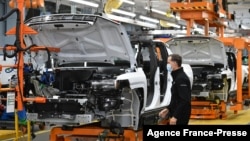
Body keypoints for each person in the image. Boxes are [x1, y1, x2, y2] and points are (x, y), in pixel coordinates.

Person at [159, 54, 191, 125]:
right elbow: (175, 98)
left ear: (175, 63)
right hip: (177, 112)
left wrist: (175, 117)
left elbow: (184, 100)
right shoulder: (176, 77)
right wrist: (168, 109)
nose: (167, 65)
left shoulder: (181, 78)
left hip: (181, 115)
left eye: (168, 62)